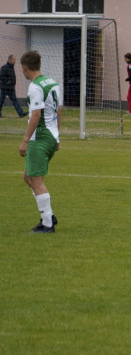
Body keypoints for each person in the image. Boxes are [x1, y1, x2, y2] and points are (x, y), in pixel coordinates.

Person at [19, 51, 62, 233]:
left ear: (24, 68)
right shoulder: (52, 82)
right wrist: (57, 136)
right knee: (28, 176)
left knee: (36, 180)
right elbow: (59, 110)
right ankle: (48, 215)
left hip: (40, 137)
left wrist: (25, 140)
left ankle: (47, 224)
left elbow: (36, 115)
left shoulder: (35, 87)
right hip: (51, 136)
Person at [1, 54, 27, 118]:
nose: (15, 61)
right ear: (9, 60)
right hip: (5, 88)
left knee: (15, 101)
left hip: (11, 88)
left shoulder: (11, 67)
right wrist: (8, 82)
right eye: (13, 59)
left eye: (15, 59)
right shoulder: (4, 67)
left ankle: (21, 113)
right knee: (1, 101)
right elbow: (1, 77)